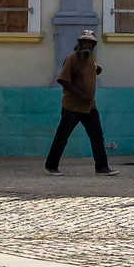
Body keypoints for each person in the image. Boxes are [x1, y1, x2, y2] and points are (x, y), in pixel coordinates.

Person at [45, 29, 113, 174]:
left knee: (97, 137)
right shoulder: (72, 58)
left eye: (90, 42)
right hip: (72, 106)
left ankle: (102, 167)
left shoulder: (91, 58)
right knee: (62, 137)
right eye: (84, 42)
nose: (87, 45)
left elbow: (87, 71)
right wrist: (81, 95)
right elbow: (63, 79)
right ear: (79, 43)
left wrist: (97, 69)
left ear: (94, 45)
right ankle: (51, 165)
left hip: (89, 107)